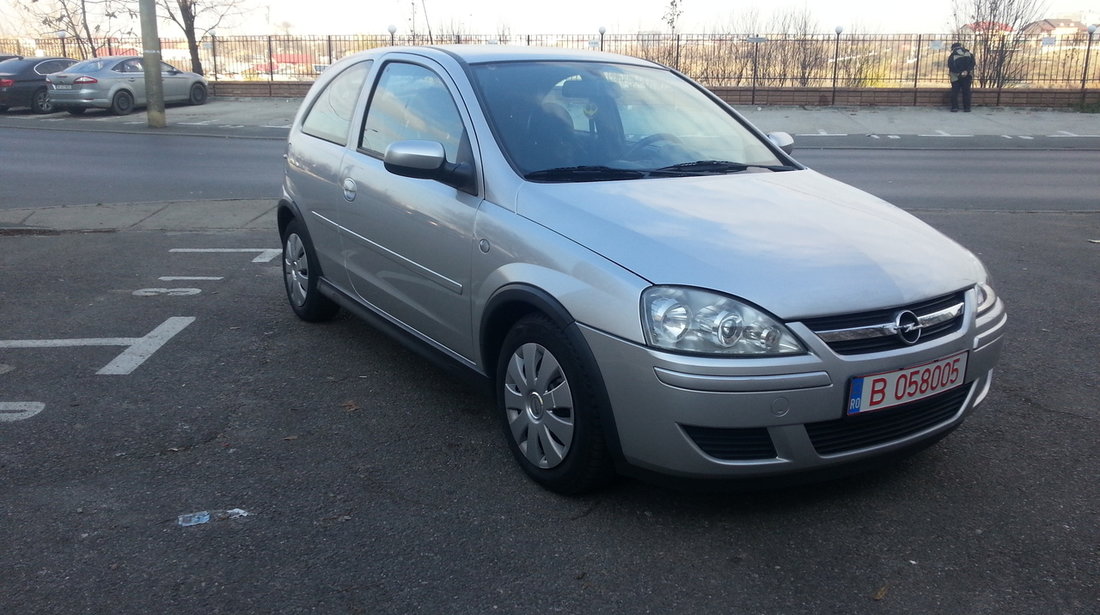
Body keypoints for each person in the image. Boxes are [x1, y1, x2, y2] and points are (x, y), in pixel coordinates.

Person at [947, 42, 975, 112]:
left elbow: (950, 66)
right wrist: (966, 71)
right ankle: (967, 108)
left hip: (955, 76)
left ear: (953, 48)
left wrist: (959, 73)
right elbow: (973, 64)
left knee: (955, 92)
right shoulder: (969, 54)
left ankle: (954, 107)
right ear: (961, 46)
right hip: (967, 75)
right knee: (966, 91)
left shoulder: (952, 55)